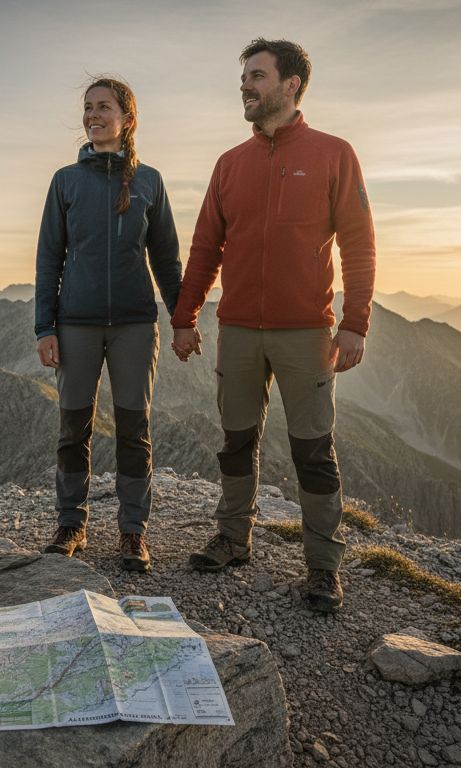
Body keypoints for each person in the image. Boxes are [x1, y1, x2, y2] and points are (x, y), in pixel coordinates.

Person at [170, 39, 375, 612]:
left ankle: (322, 566)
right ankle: (234, 539)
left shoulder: (335, 154)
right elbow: (206, 245)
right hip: (236, 328)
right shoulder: (229, 163)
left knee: (313, 449)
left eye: (256, 76)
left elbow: (358, 242)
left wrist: (355, 323)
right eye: (244, 77)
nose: (245, 85)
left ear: (292, 85)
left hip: (307, 331)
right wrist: (185, 318)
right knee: (236, 441)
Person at [33, 76, 182, 572]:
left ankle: (132, 533)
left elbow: (166, 260)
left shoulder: (150, 181)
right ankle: (71, 524)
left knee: (133, 429)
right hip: (75, 322)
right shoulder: (65, 181)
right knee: (73, 425)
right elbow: (48, 258)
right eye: (88, 108)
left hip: (136, 325)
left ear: (127, 118)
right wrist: (44, 328)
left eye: (104, 107)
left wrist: (182, 320)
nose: (93, 115)